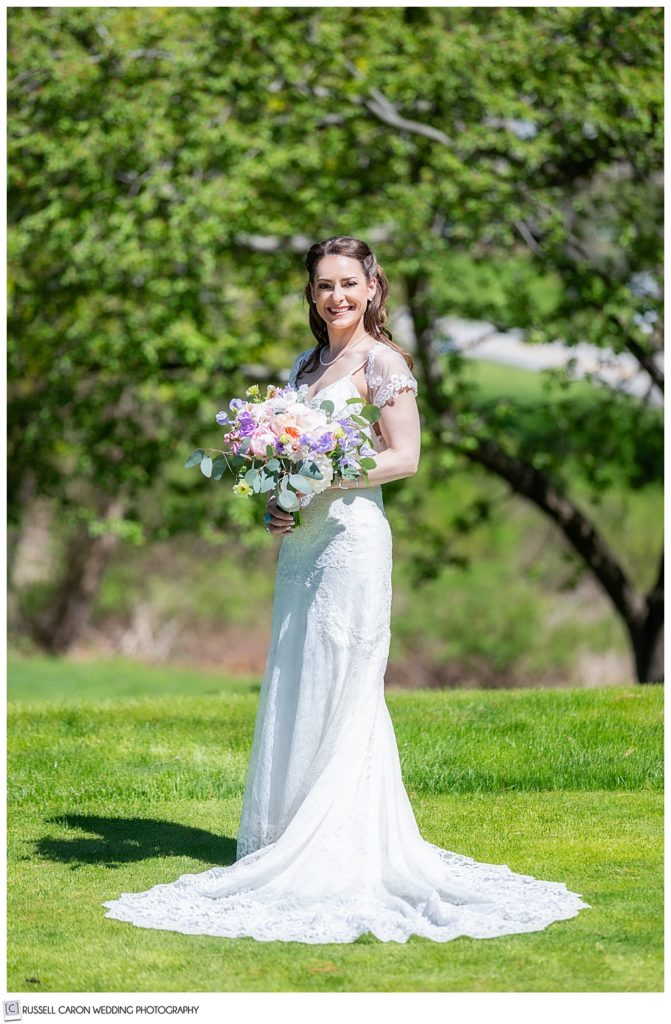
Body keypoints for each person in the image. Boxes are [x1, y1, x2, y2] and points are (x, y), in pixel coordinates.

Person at [102, 236, 591, 943]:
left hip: (354, 542)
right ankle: (292, 833)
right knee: (301, 679)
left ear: (370, 289)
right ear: (310, 294)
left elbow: (404, 455)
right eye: (323, 285)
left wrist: (325, 478)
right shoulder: (304, 367)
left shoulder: (382, 361)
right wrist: (281, 496)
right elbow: (293, 458)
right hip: (304, 544)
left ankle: (345, 848)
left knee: (346, 683)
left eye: (348, 284)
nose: (336, 296)